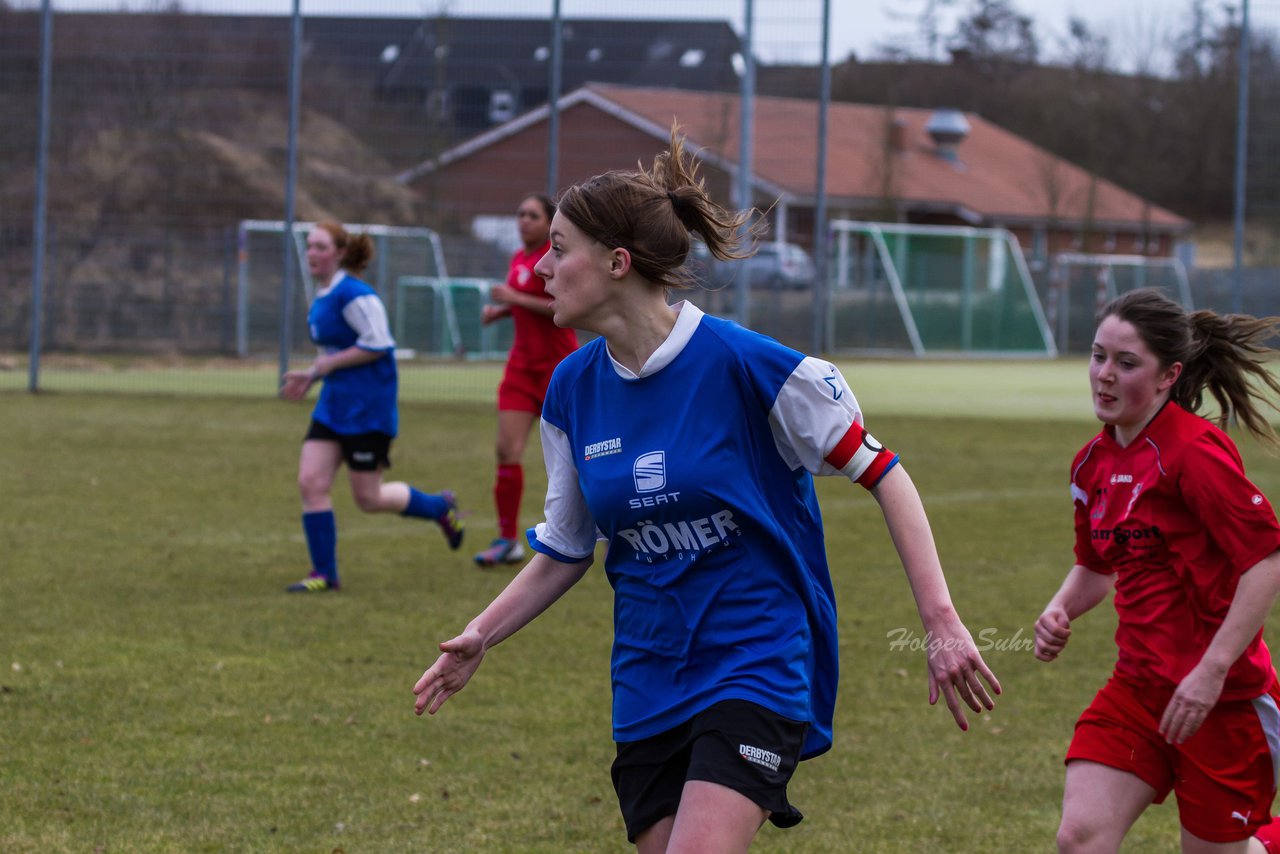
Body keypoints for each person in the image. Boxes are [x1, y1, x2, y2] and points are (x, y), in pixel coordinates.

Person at [413, 129, 1000, 851]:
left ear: (617, 262)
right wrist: (482, 635)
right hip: (648, 675)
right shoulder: (570, 391)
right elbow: (566, 548)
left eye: (560, 248)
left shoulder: (752, 368)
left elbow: (886, 475)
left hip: (756, 662)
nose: (540, 267)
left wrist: (940, 622)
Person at [1033, 288, 1280, 854]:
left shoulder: (1194, 453)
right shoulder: (1091, 463)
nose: (1104, 375)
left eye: (1126, 363)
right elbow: (1097, 565)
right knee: (1079, 838)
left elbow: (1265, 559)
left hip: (1223, 704)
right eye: (1098, 356)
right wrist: (1060, 607)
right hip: (1138, 691)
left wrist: (1213, 670)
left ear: (1169, 375)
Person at [279, 221, 464, 592]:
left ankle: (439, 507)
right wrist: (313, 375)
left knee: (369, 498)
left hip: (367, 410)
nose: (311, 253)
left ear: (341, 253)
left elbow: (378, 344)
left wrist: (325, 367)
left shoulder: (357, 295)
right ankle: (325, 575)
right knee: (310, 482)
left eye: (320, 247)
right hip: (334, 406)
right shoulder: (323, 296)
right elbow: (332, 353)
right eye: (309, 246)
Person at [473, 194, 579, 567]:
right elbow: (526, 304)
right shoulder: (518, 258)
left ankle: (606, 530)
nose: (523, 221)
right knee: (506, 450)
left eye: (532, 216)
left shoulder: (556, 259)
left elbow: (558, 306)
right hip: (521, 367)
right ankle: (507, 540)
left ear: (549, 223)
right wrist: (500, 312)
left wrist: (514, 298)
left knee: (584, 453)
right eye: (519, 214)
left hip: (558, 366)